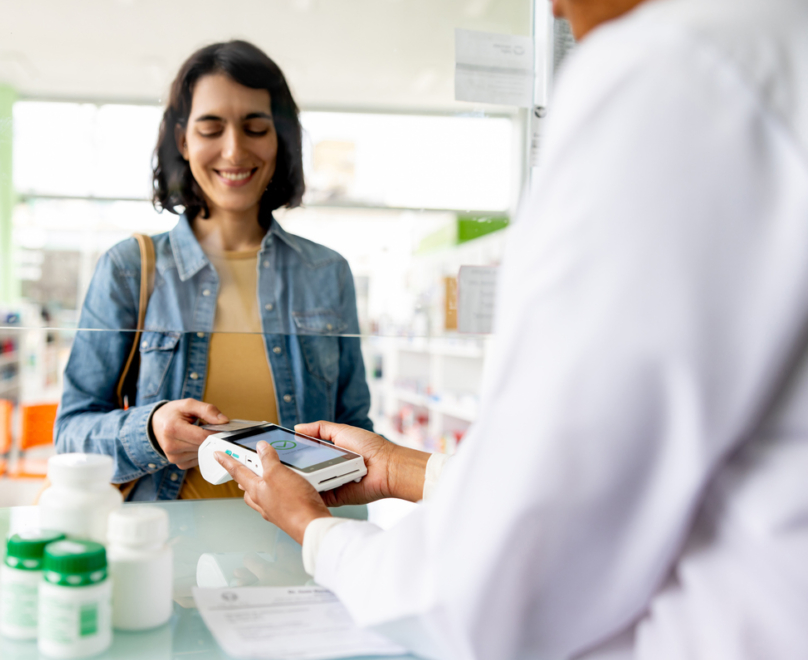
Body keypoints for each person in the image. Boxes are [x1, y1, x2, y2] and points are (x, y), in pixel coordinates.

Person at [217, 0, 808, 657]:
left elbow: (489, 596)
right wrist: (401, 468)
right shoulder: (773, 42)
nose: (553, 8)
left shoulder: (669, 72)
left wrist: (314, 530)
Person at [56, 40, 372, 501]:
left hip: (298, 548)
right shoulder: (129, 269)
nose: (234, 149)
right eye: (211, 128)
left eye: (255, 127)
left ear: (279, 138)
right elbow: (69, 434)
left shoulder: (326, 272)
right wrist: (149, 428)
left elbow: (355, 432)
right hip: (169, 553)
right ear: (183, 140)